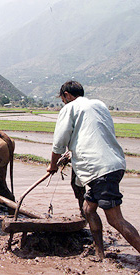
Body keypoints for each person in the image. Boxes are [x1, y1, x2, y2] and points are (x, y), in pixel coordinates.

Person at [47, 80, 140, 260]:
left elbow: (58, 144)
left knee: (115, 219)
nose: (63, 102)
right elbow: (91, 135)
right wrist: (70, 154)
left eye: (63, 99)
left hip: (99, 169)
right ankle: (99, 253)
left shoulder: (70, 108)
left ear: (66, 95)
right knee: (88, 209)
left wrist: (52, 165)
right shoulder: (99, 105)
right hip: (114, 164)